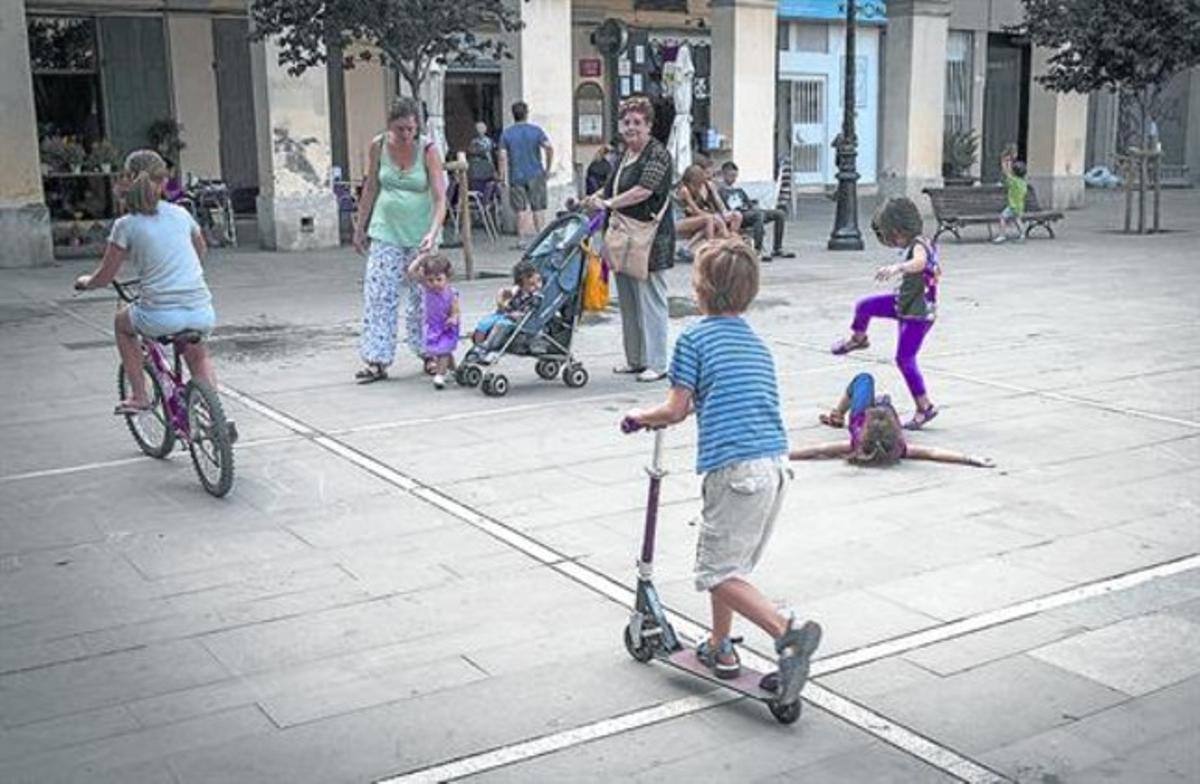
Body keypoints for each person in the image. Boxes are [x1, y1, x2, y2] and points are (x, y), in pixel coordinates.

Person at [624, 239, 822, 703]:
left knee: (714, 572)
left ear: (701, 290)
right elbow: (734, 396)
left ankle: (787, 631)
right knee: (728, 567)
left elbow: (675, 410)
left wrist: (638, 417)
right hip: (773, 467)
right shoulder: (756, 343)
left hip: (734, 471)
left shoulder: (693, 338)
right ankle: (719, 647)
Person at [72, 150, 217, 414]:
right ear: (163, 182)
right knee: (199, 354)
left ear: (127, 181)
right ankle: (214, 416)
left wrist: (85, 282)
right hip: (201, 309)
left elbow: (104, 277)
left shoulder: (125, 225)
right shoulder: (181, 214)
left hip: (160, 315)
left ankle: (139, 396)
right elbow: (201, 250)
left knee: (122, 324)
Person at [352, 98, 448, 384]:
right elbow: (371, 187)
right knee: (379, 294)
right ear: (389, 126)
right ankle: (376, 359)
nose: (406, 134)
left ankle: (429, 352)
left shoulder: (429, 149)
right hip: (385, 230)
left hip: (420, 235)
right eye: (400, 129)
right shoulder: (378, 146)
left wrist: (433, 231)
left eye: (410, 129)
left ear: (418, 126)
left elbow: (440, 197)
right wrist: (361, 226)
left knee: (425, 296)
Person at [584, 95, 675, 383]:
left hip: (649, 237)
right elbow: (611, 187)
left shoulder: (657, 154)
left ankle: (658, 363)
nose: (631, 127)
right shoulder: (625, 155)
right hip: (624, 236)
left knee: (651, 299)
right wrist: (593, 198)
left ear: (649, 126)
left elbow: (643, 190)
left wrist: (608, 205)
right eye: (626, 122)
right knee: (628, 300)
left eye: (637, 122)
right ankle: (635, 359)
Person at [830, 197, 941, 430]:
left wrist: (898, 267)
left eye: (890, 236)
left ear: (899, 230)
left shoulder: (919, 245)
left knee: (905, 359)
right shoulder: (916, 243)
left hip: (917, 314)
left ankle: (925, 407)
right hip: (904, 304)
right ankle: (858, 339)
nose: (890, 242)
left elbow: (920, 262)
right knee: (865, 306)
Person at [790, 373, 994, 467]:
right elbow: (934, 453)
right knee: (884, 399)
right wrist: (969, 458)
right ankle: (881, 403)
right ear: (897, 431)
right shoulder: (900, 447)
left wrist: (782, 455)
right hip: (873, 415)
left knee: (864, 378)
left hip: (859, 414)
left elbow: (818, 449)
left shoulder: (857, 441)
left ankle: (838, 414)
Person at [499, 101, 553, 247]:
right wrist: (547, 168)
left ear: (513, 114)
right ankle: (541, 238)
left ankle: (521, 240)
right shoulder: (536, 131)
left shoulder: (507, 133)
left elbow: (502, 156)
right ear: (527, 113)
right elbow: (548, 147)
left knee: (520, 209)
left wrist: (502, 176)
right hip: (536, 173)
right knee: (538, 207)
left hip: (516, 175)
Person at [719, 161, 794, 261]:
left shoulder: (739, 190)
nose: (733, 179)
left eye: (735, 176)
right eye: (731, 176)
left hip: (749, 212)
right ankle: (757, 250)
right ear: (723, 174)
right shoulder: (720, 191)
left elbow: (750, 204)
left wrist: (755, 208)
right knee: (758, 215)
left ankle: (777, 248)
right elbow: (723, 208)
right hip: (739, 216)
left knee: (779, 214)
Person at [406, 254, 460, 390]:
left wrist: (453, 318)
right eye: (430, 280)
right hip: (433, 327)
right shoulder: (427, 288)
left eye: (439, 279)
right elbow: (411, 272)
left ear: (447, 278)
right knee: (441, 351)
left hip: (447, 327)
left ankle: (440, 375)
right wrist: (420, 259)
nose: (435, 283)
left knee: (443, 351)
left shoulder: (451, 293)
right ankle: (455, 370)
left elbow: (456, 310)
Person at [468, 260, 543, 353]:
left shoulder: (536, 296)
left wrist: (516, 314)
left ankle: (487, 345)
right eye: (531, 284)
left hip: (518, 319)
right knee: (484, 323)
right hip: (507, 313)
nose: (536, 286)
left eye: (538, 281)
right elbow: (504, 292)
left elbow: (528, 311)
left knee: (501, 324)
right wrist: (501, 300)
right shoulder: (518, 290)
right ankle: (477, 345)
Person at [676, 163, 741, 245]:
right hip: (678, 221)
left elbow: (718, 203)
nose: (699, 187)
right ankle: (712, 243)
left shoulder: (707, 186)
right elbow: (696, 211)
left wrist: (722, 213)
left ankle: (731, 236)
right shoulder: (684, 190)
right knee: (709, 218)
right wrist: (713, 216)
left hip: (696, 217)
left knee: (735, 215)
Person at [995, 150, 1027, 244]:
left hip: (1012, 206)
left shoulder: (1014, 182)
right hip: (1020, 205)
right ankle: (1022, 235)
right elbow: (1009, 173)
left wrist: (1004, 162)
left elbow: (1006, 173)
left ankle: (1002, 236)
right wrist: (1009, 162)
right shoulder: (1023, 182)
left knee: (1002, 217)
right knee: (1017, 220)